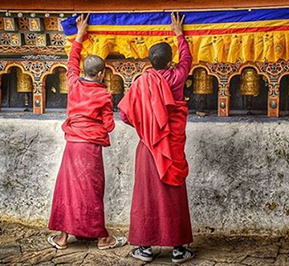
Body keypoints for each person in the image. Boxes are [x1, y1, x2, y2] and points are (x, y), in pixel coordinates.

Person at [118, 12, 194, 263]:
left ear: (150, 61)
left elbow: (126, 115)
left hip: (148, 147)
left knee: (147, 195)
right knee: (173, 194)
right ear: (170, 62)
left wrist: (146, 126)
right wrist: (179, 33)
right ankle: (179, 249)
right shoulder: (177, 76)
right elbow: (187, 58)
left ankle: (145, 248)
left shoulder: (142, 82)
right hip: (171, 146)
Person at [48, 14, 127, 250]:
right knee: (91, 192)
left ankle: (62, 238)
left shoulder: (73, 83)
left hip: (72, 145)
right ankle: (103, 238)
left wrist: (80, 34)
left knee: (68, 189)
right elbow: (109, 125)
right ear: (101, 74)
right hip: (90, 148)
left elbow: (72, 59)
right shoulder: (103, 94)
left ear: (84, 70)